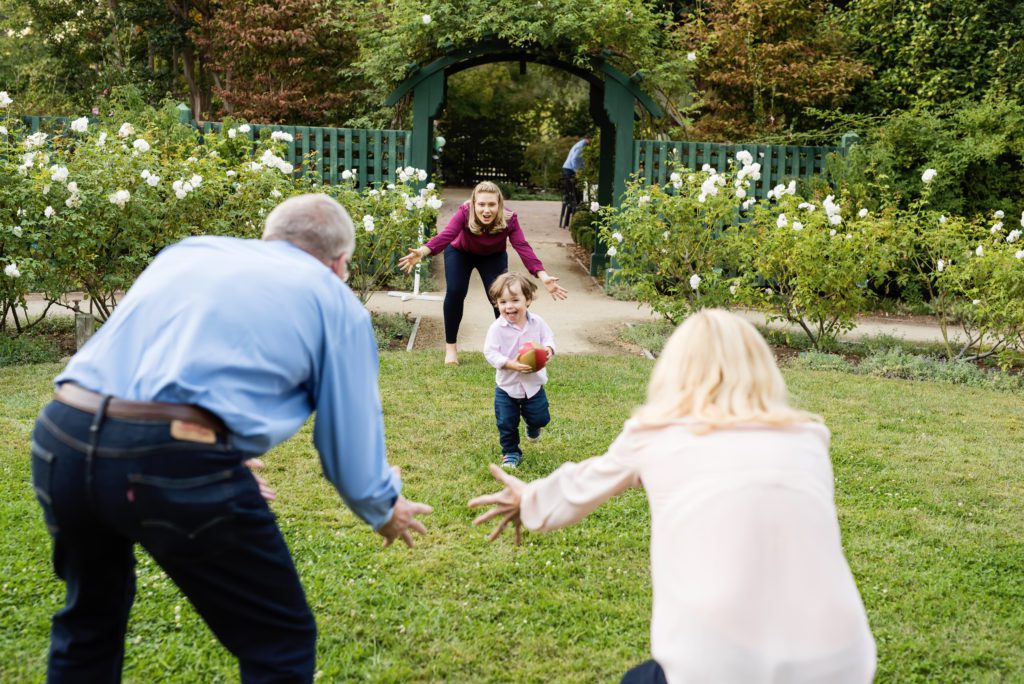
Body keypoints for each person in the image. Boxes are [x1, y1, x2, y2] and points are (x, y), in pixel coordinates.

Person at [30, 194, 433, 683]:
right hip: (171, 459)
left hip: (62, 433)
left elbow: (158, 367)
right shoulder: (334, 301)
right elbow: (346, 443)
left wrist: (213, 449)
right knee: (279, 640)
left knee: (90, 619)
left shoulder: (189, 252)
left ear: (270, 237)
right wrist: (382, 506)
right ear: (339, 262)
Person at [468, 309, 876, 684]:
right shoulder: (807, 438)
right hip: (841, 659)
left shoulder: (656, 434)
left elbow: (580, 486)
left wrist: (529, 501)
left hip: (714, 664)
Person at [397, 180, 568, 366]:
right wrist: (422, 251)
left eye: (492, 204)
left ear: (499, 204)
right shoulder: (464, 212)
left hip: (492, 256)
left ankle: (509, 347)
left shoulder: (509, 218)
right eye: (482, 204)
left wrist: (543, 276)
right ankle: (451, 348)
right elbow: (447, 235)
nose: (486, 210)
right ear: (473, 203)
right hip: (460, 253)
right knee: (456, 291)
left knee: (502, 298)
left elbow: (522, 246)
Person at [483, 273, 556, 469]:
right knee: (506, 423)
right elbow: (490, 352)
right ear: (496, 304)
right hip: (507, 387)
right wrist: (509, 363)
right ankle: (510, 452)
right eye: (503, 302)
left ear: (528, 300)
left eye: (515, 300)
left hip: (533, 385)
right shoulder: (496, 328)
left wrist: (548, 349)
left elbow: (549, 338)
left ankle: (533, 426)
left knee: (541, 417)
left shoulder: (537, 323)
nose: (509, 306)